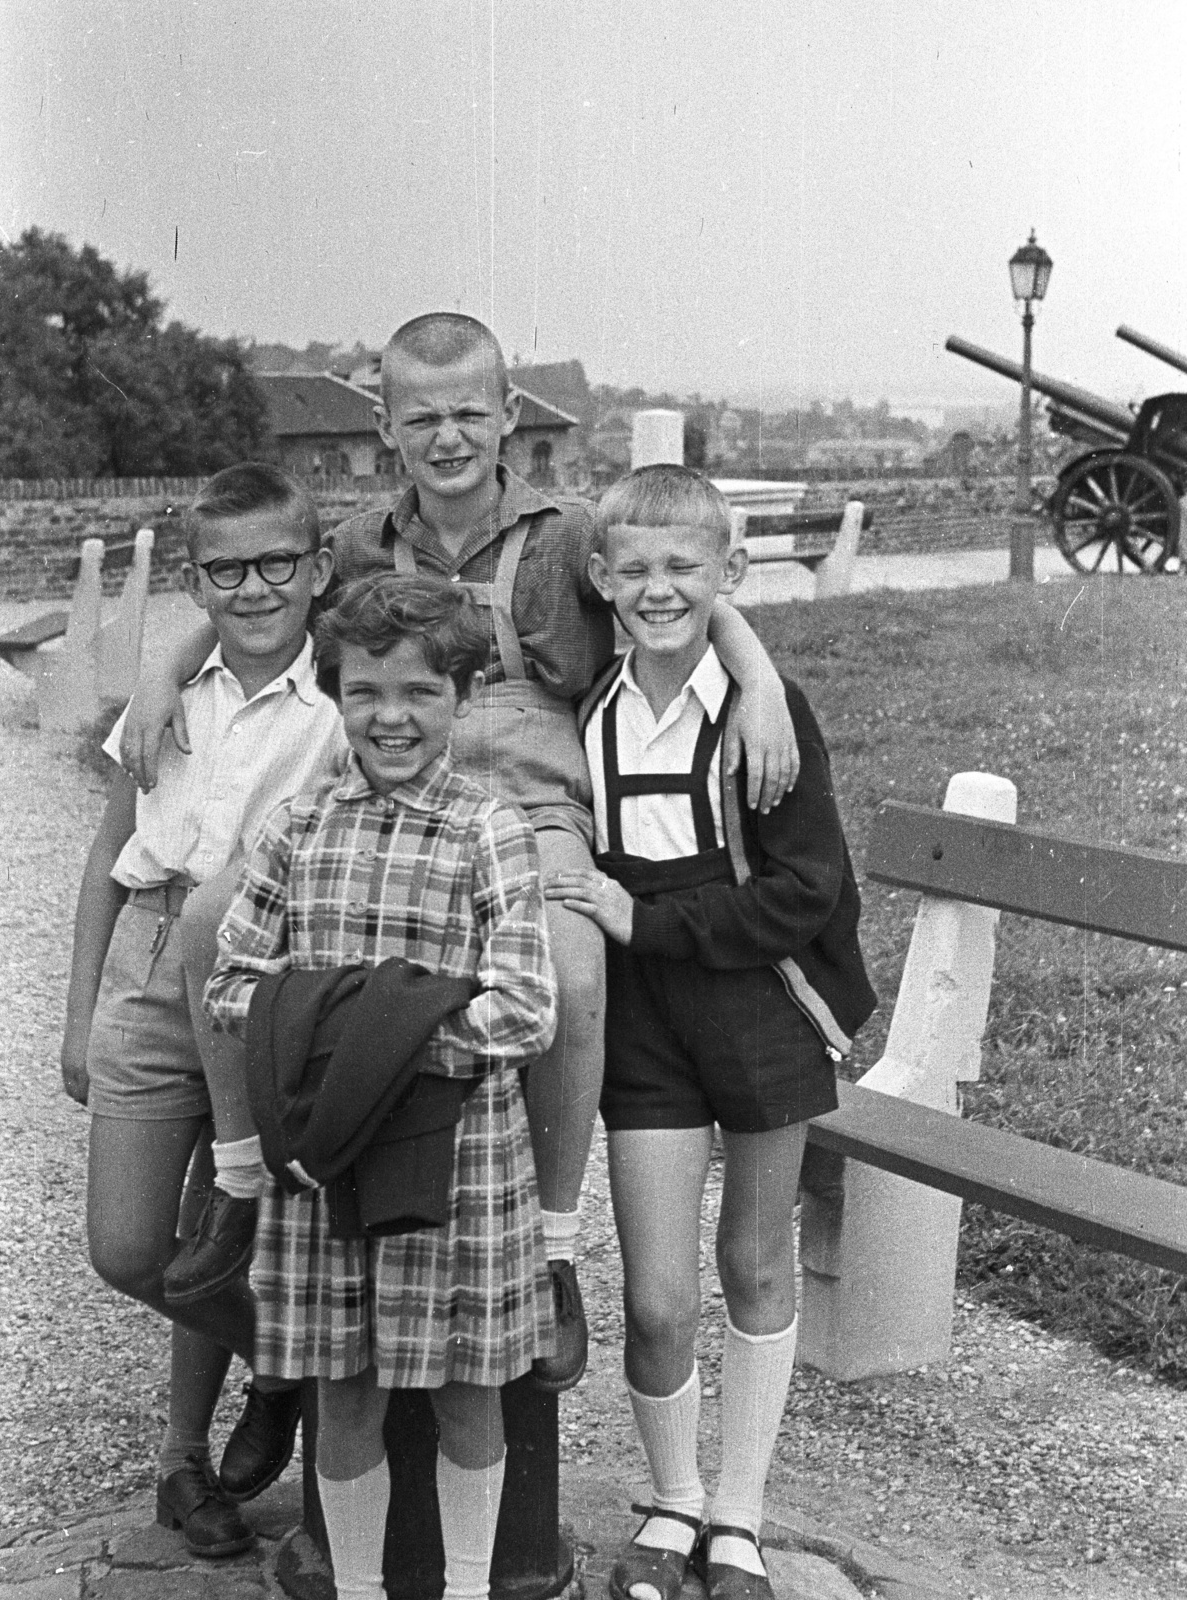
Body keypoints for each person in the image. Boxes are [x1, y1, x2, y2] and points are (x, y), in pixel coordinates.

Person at [119, 310, 799, 1391]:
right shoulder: (354, 544)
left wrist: (757, 681)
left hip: (530, 807)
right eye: (422, 417)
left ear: (508, 417)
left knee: (573, 975)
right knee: (212, 925)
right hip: (376, 793)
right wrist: (167, 665)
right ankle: (246, 1184)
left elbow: (682, 584)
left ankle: (555, 1252)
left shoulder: (572, 532)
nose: (447, 438)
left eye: (468, 414)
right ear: (386, 425)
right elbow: (263, 596)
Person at [545, 465, 876, 1600]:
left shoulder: (760, 715)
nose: (658, 587)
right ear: (600, 576)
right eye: (633, 567)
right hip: (643, 1027)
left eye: (686, 568)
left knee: (752, 1257)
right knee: (654, 1297)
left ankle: (738, 1512)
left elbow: (809, 890)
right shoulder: (587, 707)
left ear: (726, 574)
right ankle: (674, 1495)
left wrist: (650, 918)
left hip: (759, 1010)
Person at [204, 572, 559, 1600]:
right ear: (335, 692)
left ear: (461, 697)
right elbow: (232, 981)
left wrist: (364, 1036)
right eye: (366, 692)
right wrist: (372, 1029)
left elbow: (528, 1006)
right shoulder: (297, 826)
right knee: (345, 1387)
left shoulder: (486, 829)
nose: (391, 717)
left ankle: (466, 1586)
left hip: (458, 1165)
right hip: (327, 1162)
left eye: (419, 693)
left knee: (465, 1389)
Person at [61, 462, 345, 1556]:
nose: (257, 587)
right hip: (149, 961)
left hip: (264, 983)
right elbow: (104, 855)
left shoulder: (340, 697)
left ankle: (185, 1462)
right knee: (132, 1247)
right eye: (226, 570)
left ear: (317, 568)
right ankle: (289, 1365)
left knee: (226, 1226)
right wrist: (79, 1012)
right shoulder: (167, 700)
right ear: (197, 582)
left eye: (279, 562)